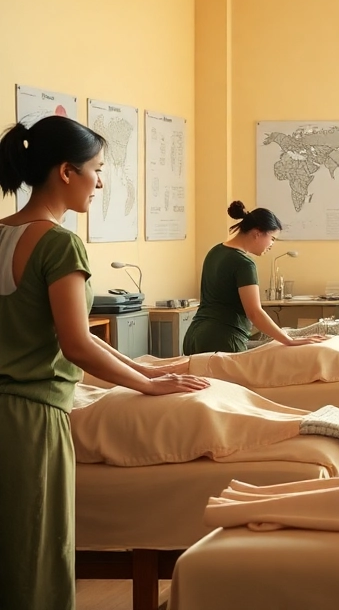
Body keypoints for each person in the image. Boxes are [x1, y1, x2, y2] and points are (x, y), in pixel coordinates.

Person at [0, 117, 210, 609]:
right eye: (97, 170)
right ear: (67, 172)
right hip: (31, 420)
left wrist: (147, 371)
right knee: (33, 556)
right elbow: (76, 344)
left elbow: (76, 337)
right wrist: (149, 388)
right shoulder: (58, 243)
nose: (101, 182)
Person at [183, 201, 329, 354]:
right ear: (258, 232)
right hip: (223, 339)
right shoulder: (244, 263)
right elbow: (254, 312)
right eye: (272, 238)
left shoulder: (215, 251)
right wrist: (289, 340)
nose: (272, 245)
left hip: (194, 336)